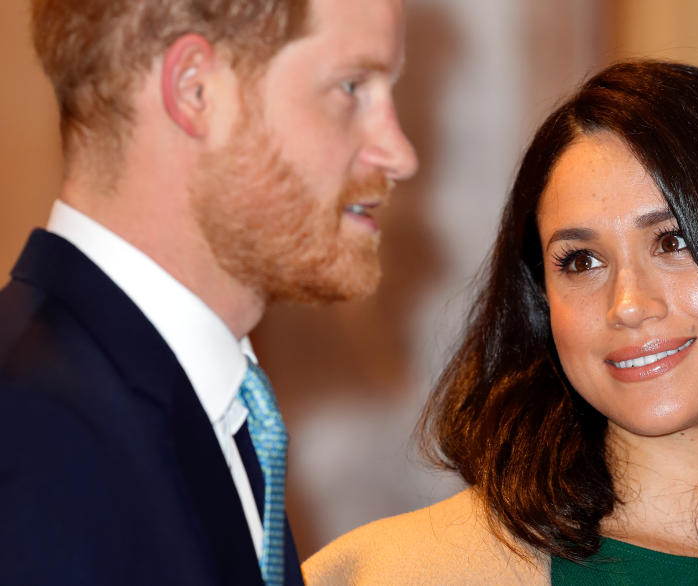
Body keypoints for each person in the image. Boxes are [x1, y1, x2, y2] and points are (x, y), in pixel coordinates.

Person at [302, 60, 698, 585]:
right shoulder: (394, 573)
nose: (627, 304)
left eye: (673, 243)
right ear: (540, 301)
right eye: (581, 260)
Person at [0, 0, 416, 584]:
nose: (400, 154)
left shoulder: (207, 399)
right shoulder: (35, 438)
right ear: (196, 91)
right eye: (352, 87)